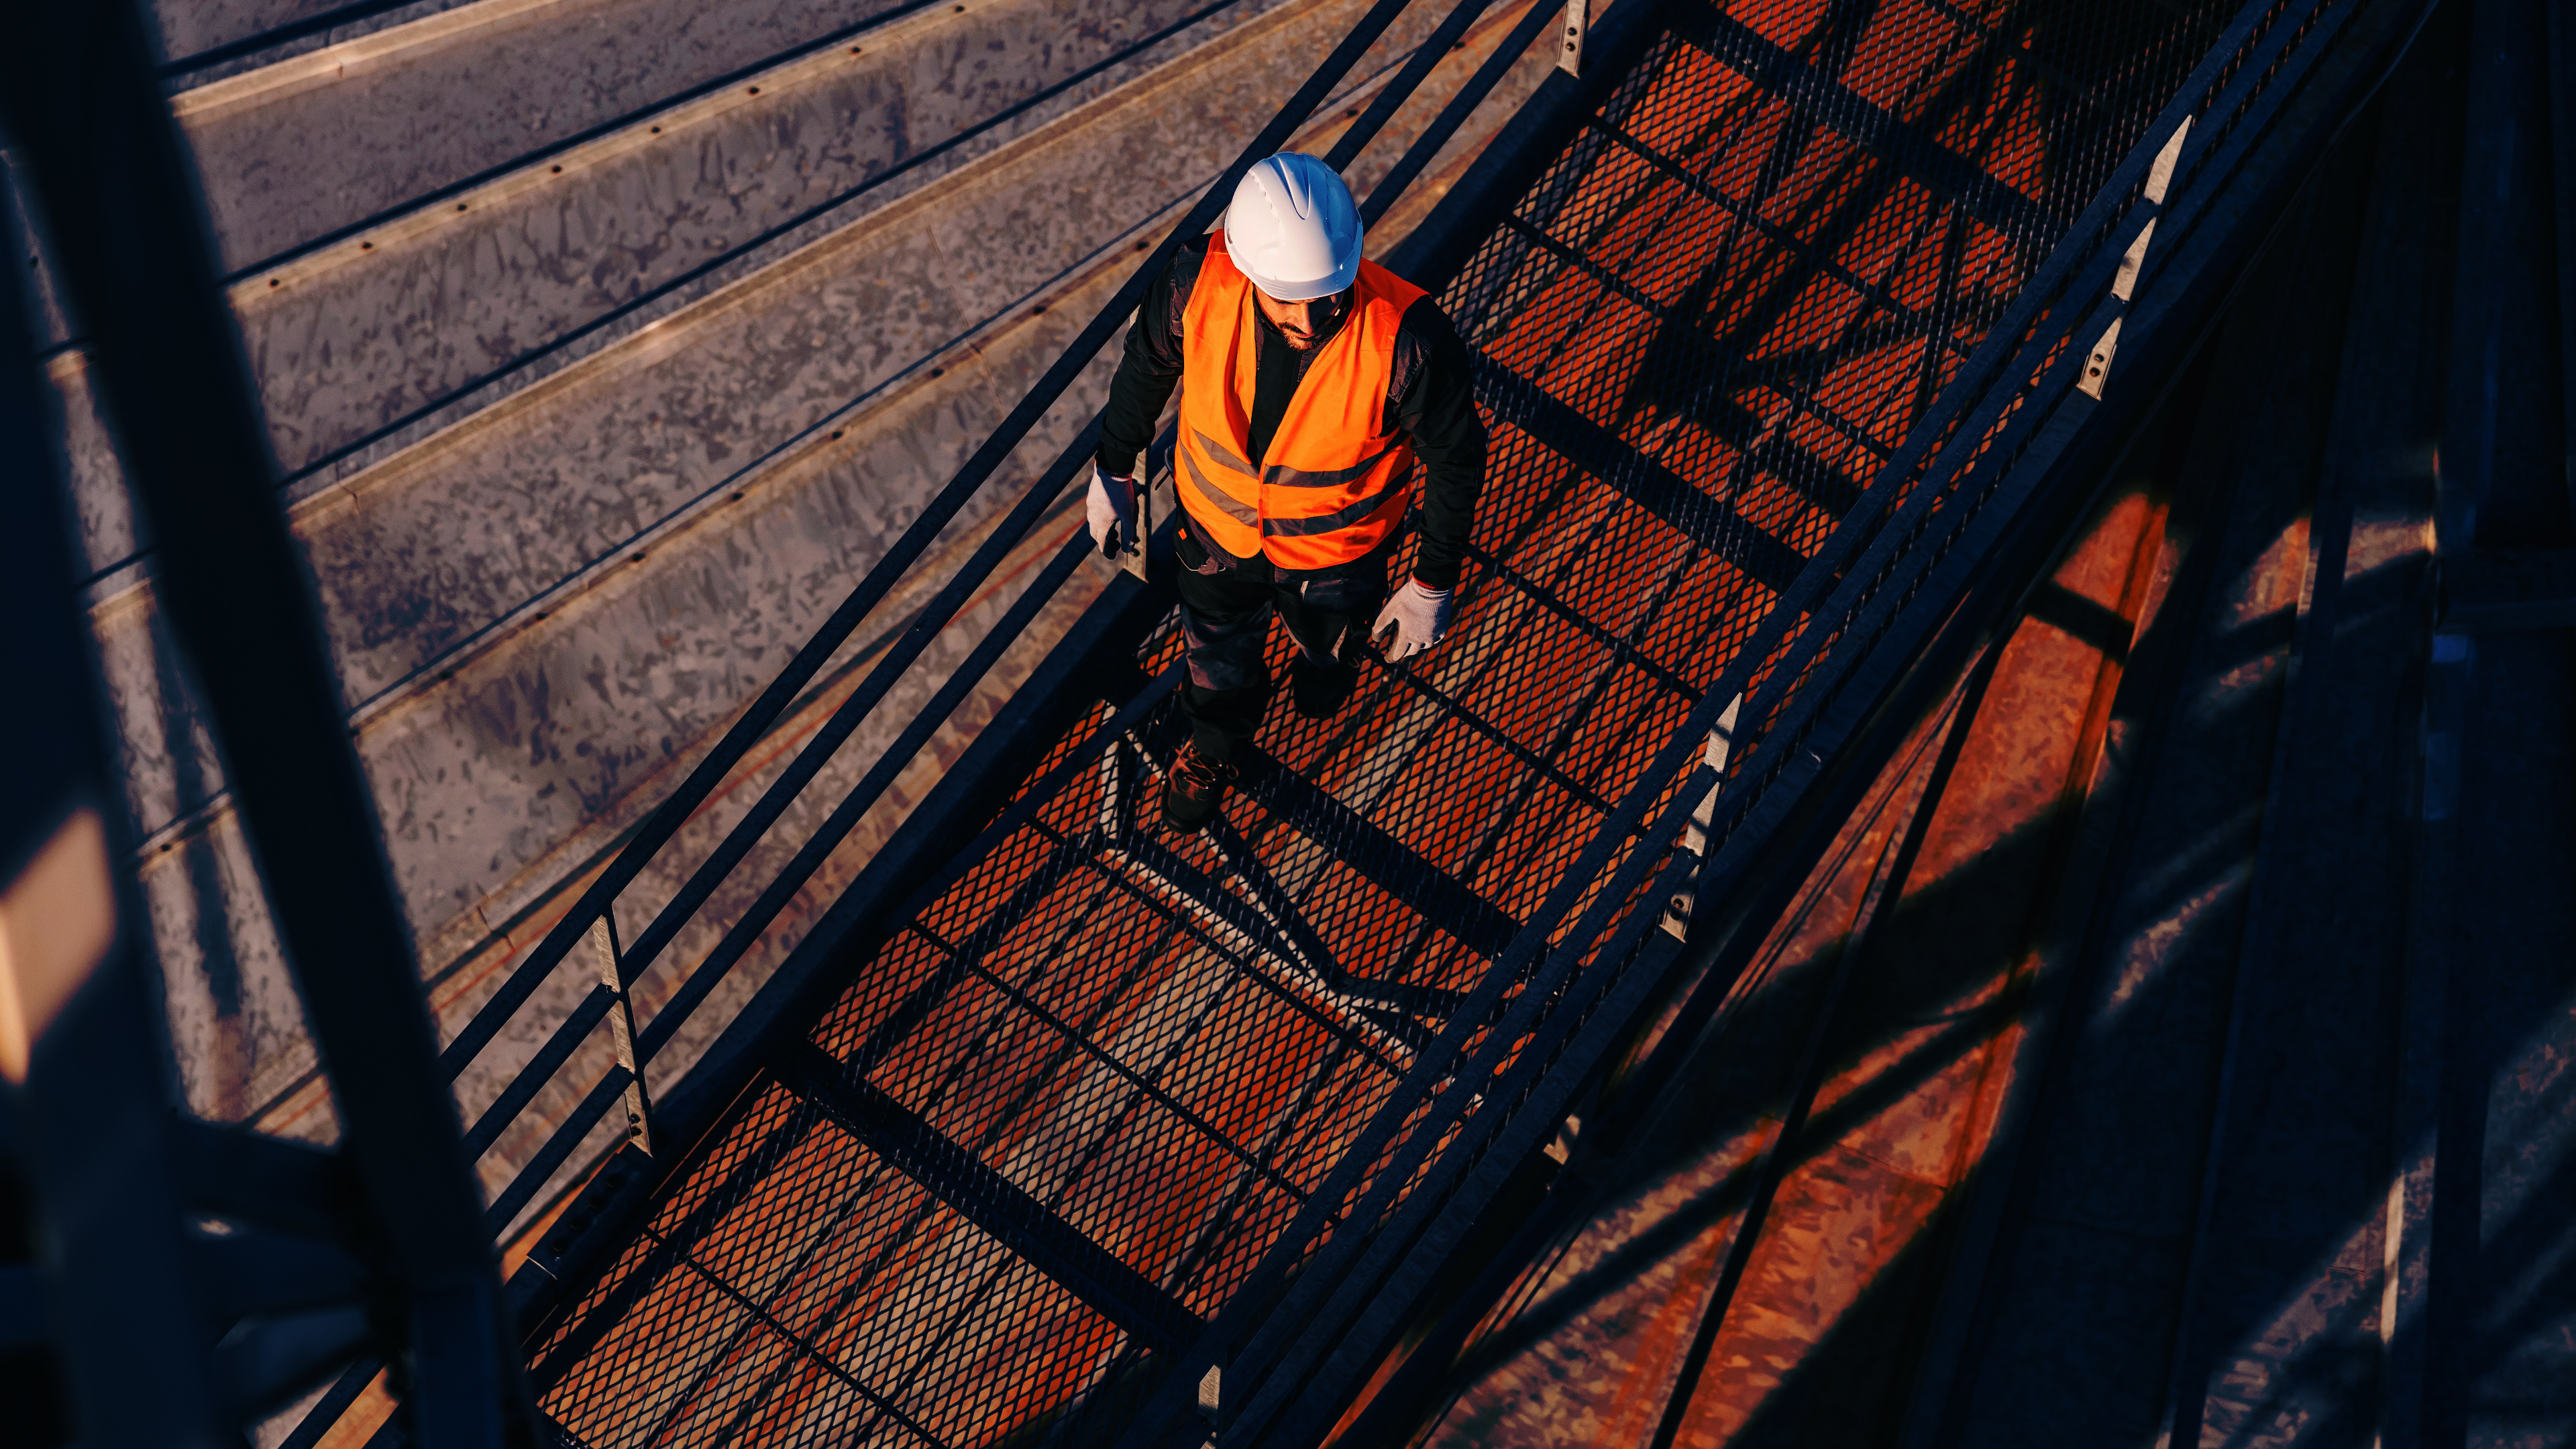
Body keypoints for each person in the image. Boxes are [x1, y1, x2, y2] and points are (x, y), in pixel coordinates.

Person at [1087, 152, 1488, 833]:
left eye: (1327, 296)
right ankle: (1216, 740)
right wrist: (1113, 467)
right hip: (1215, 536)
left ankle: (1327, 663)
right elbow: (1145, 367)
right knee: (1214, 649)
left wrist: (1431, 583)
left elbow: (1457, 460)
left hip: (1337, 559)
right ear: (1245, 270)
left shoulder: (1408, 342)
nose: (1308, 320)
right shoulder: (1194, 282)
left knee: (1332, 637)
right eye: (1286, 298)